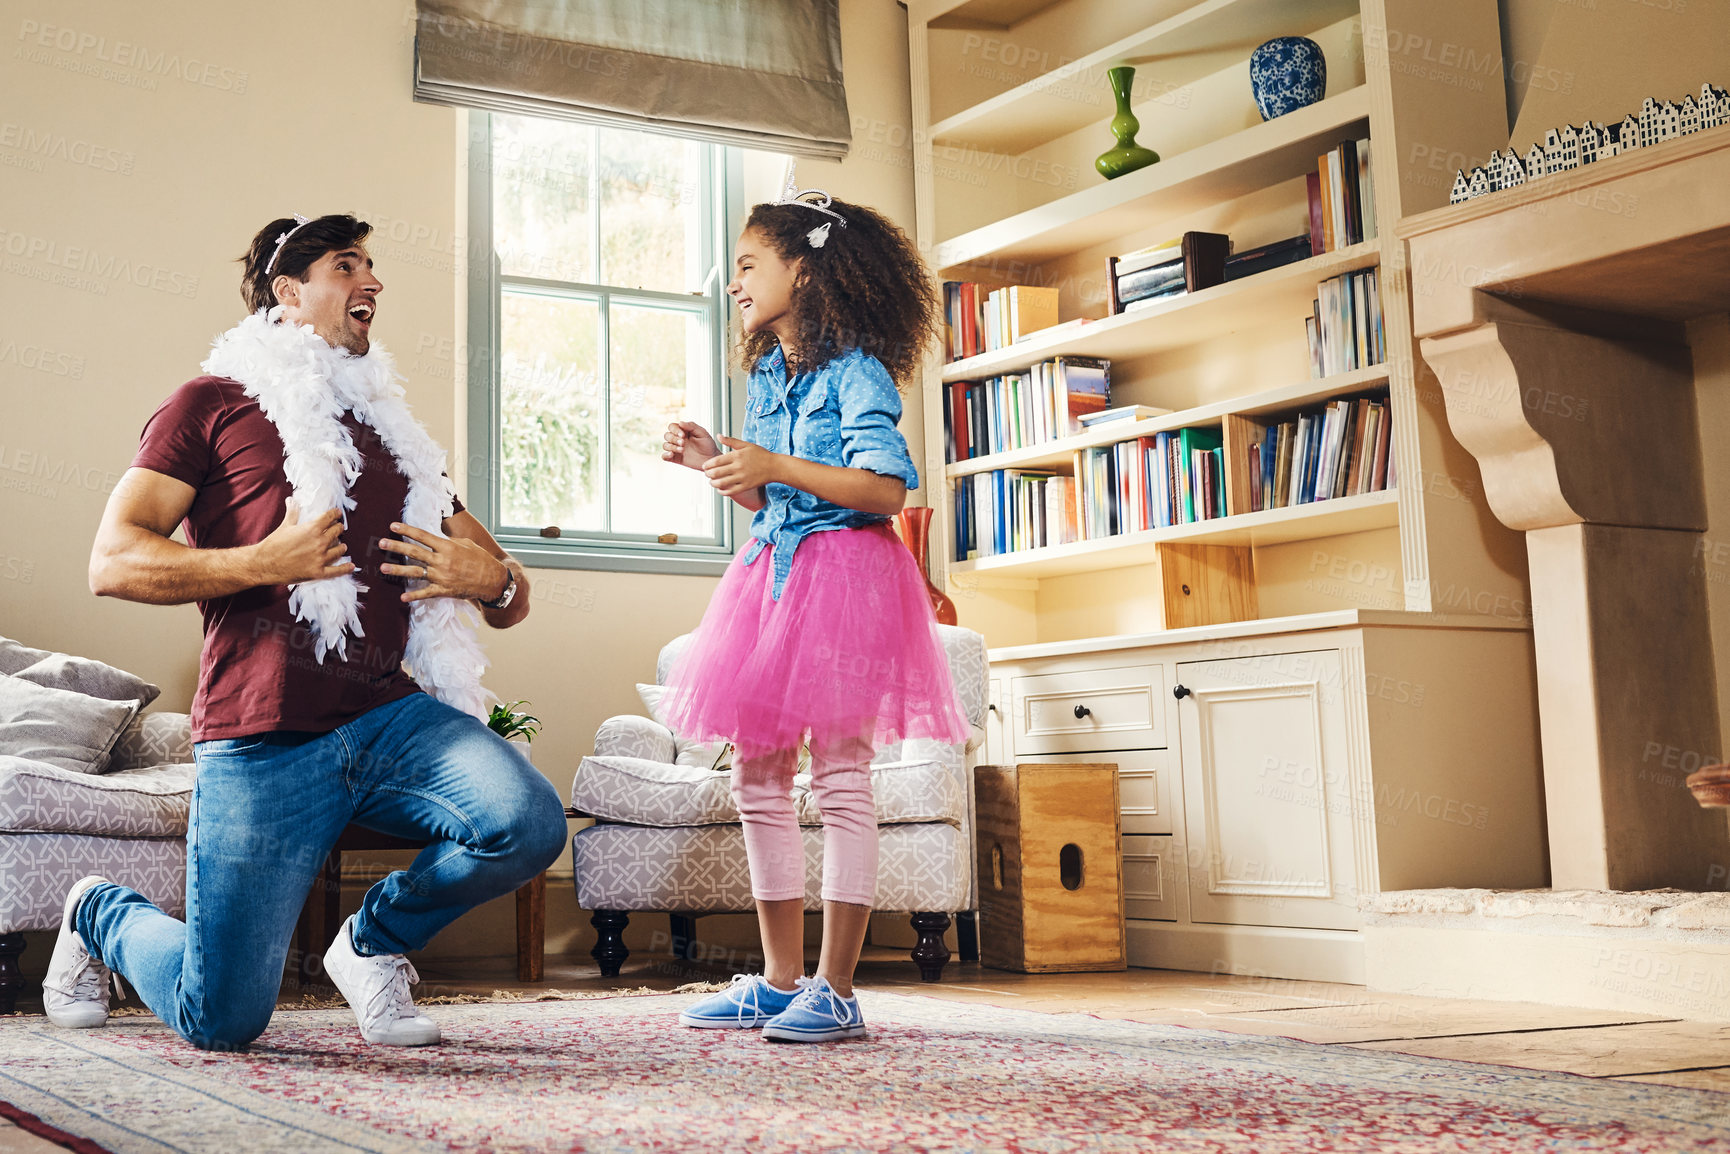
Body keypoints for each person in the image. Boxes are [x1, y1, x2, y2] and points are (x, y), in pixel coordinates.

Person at [43, 214, 568, 1052]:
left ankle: (370, 944)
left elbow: (510, 592)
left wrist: (494, 579)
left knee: (530, 821)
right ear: (290, 292)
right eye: (347, 265)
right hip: (264, 738)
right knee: (221, 1017)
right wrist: (264, 559)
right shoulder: (207, 404)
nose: (374, 282)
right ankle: (99, 914)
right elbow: (113, 561)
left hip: (390, 717)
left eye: (373, 265)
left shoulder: (394, 434)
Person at [662, 179, 968, 1042]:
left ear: (803, 269)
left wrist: (776, 466)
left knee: (839, 776)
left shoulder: (858, 373)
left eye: (749, 263)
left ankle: (837, 989)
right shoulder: (767, 372)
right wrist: (716, 465)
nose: (735, 282)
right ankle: (778, 978)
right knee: (755, 773)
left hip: (848, 581)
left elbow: (882, 490)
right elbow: (773, 503)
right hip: (774, 573)